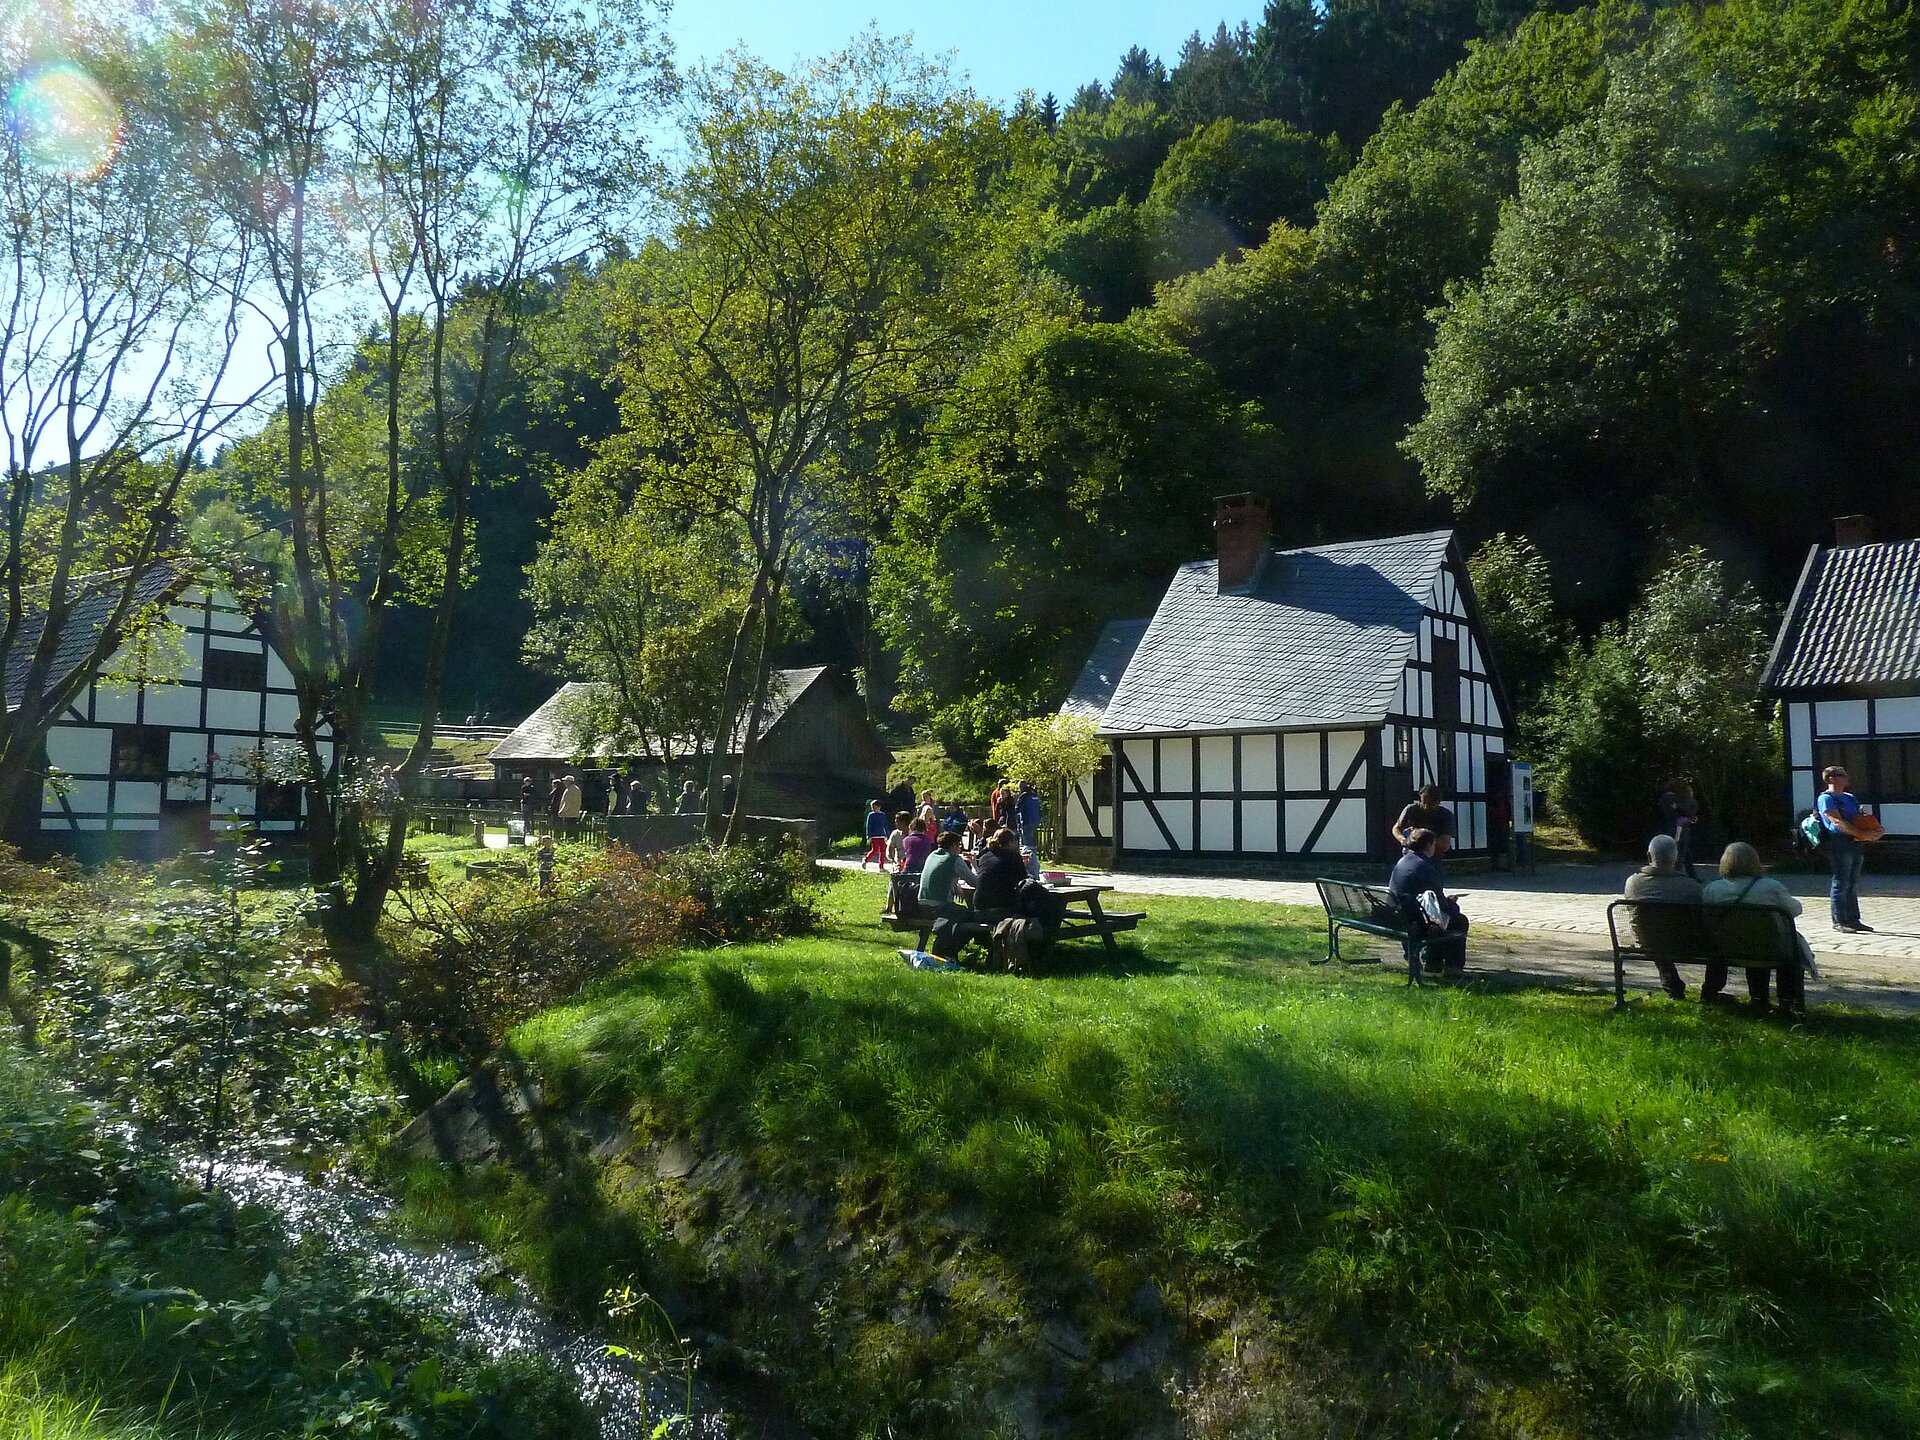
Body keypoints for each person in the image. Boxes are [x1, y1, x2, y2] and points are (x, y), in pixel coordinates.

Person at [1702, 841, 1807, 1016]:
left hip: (1729, 948)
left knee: (1746, 937)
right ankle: (1786, 1000)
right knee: (1787, 943)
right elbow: (1795, 909)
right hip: (1770, 947)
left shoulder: (1713, 889)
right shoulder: (1771, 887)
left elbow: (1707, 917)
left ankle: (1758, 998)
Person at [1623, 834, 1703, 1000]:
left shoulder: (1633, 883)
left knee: (1655, 937)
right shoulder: (1691, 886)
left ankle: (1673, 987)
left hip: (1649, 943)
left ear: (1649, 857)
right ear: (1677, 858)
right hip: (1687, 944)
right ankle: (1709, 992)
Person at [1387, 829, 1468, 976]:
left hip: (1396, 917)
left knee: (1436, 920)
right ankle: (1453, 968)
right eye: (1433, 844)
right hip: (1413, 923)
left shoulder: (1402, 862)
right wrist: (1453, 906)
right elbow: (1440, 903)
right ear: (1428, 845)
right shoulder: (1424, 866)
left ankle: (1433, 962)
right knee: (1459, 921)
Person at [1817, 764, 1882, 933]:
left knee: (1852, 882)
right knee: (1841, 881)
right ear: (1831, 778)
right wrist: (1862, 834)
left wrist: (1874, 830)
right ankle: (1839, 921)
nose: (1846, 778)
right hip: (1839, 842)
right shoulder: (1826, 798)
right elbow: (1836, 821)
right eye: (1841, 775)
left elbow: (1859, 817)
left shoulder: (1850, 797)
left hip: (1855, 841)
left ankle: (1853, 919)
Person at [971, 827, 1028, 918]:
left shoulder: (984, 857)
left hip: (979, 907)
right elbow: (1023, 881)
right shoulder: (1013, 857)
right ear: (1010, 842)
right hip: (1001, 907)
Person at [1656, 778, 1701, 877]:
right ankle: (1680, 872)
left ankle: (1690, 873)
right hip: (1679, 827)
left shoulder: (1664, 798)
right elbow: (1685, 810)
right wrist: (1691, 818)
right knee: (1681, 850)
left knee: (1683, 850)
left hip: (1669, 825)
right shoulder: (1677, 798)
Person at [1391, 785, 1455, 852]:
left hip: (1436, 852)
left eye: (1431, 803)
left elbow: (1445, 843)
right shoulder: (1411, 809)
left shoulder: (1446, 815)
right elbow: (1396, 828)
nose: (1426, 806)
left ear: (1438, 802)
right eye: (1424, 802)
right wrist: (1403, 840)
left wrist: (1421, 840)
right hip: (1412, 850)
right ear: (1420, 797)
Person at [860, 800, 890, 868]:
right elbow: (868, 826)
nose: (873, 809)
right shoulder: (871, 815)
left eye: (875, 807)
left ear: (879, 807)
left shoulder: (883, 815)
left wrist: (887, 834)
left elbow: (885, 825)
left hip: (882, 835)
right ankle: (866, 859)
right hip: (874, 836)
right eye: (872, 807)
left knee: (883, 851)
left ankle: (881, 866)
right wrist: (868, 835)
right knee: (875, 850)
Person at [1016, 781, 1041, 855]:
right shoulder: (1034, 795)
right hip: (1035, 821)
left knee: (1027, 843)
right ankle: (1034, 855)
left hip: (1026, 821)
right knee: (1032, 841)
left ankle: (1029, 858)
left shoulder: (1024, 796)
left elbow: (1018, 808)